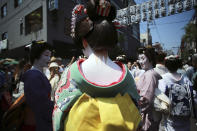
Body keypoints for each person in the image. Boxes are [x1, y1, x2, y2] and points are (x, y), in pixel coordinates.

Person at [53, 0, 140, 131]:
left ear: (84, 41)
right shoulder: (125, 73)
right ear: (112, 40)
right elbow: (136, 108)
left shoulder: (72, 71)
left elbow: (59, 112)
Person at [158, 55, 197, 131]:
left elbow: (159, 98)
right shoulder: (185, 79)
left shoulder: (163, 79)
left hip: (170, 121)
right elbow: (194, 96)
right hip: (186, 120)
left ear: (166, 66)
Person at [22, 40, 54, 131]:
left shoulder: (37, 74)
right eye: (46, 55)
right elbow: (41, 105)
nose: (49, 59)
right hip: (38, 122)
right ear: (36, 56)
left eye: (49, 56)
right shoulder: (33, 76)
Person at [136, 47, 162, 131]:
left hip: (147, 117)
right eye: (139, 59)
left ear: (150, 59)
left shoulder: (150, 75)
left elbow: (146, 99)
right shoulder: (148, 73)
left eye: (143, 58)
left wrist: (134, 106)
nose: (140, 62)